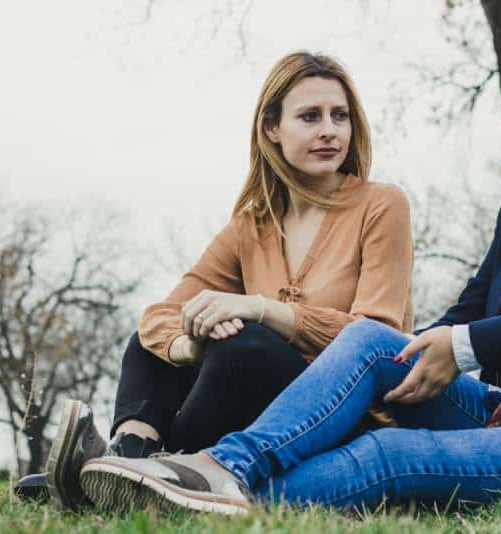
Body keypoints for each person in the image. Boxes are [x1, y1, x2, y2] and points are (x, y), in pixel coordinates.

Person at [77, 30, 501, 515]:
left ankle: (203, 487)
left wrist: (459, 347)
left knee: (386, 455)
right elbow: (466, 312)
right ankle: (209, 471)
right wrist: (409, 358)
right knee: (369, 342)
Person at [32, 52, 414, 509]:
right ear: (271, 128)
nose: (330, 130)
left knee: (244, 347)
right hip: (256, 410)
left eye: (340, 116)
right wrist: (190, 345)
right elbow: (159, 317)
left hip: (340, 415)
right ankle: (130, 455)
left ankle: (141, 472)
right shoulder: (252, 225)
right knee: (156, 343)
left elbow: (378, 340)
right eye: (310, 117)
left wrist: (261, 309)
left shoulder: (381, 204)